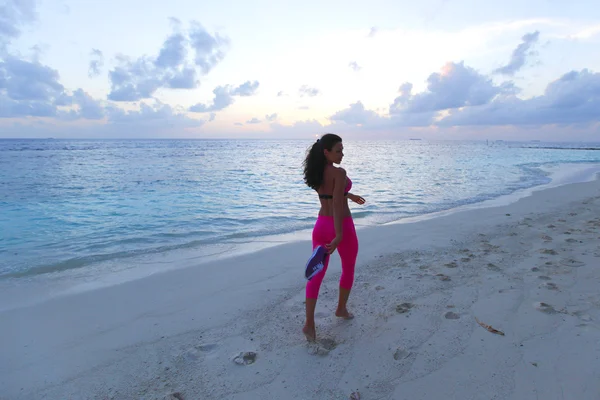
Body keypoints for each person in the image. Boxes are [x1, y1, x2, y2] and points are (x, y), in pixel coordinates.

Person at [301, 133, 366, 342]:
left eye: (343, 150)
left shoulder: (317, 171)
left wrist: (350, 195)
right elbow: (337, 205)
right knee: (348, 268)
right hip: (342, 226)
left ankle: (309, 324)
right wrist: (339, 234)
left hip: (321, 225)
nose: (342, 154)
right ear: (326, 152)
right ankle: (341, 309)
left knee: (316, 274)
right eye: (338, 150)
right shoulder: (339, 173)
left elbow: (331, 195)